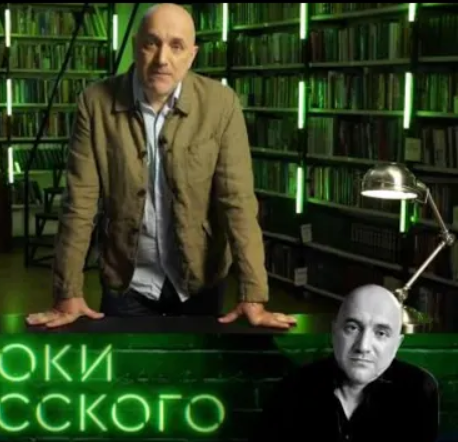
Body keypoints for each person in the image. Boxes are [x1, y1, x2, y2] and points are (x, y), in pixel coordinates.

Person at [26, 3, 295, 329]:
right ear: (135, 46)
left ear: (192, 55)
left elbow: (237, 202)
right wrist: (67, 292)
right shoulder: (95, 103)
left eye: (176, 46)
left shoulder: (222, 105)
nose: (162, 59)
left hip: (201, 281)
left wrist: (253, 294)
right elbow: (79, 204)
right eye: (151, 43)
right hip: (127, 282)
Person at [253, 284, 440, 442]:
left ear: (397, 344)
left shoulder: (418, 390)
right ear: (334, 332)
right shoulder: (293, 388)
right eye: (352, 328)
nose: (363, 346)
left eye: (381, 333)